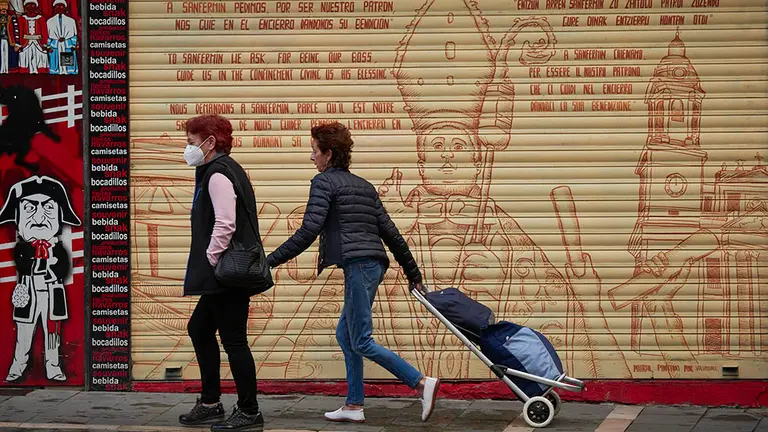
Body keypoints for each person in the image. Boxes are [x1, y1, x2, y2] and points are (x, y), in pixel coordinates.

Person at [267, 122, 440, 423]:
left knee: (360, 339)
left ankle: (421, 383)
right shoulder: (364, 186)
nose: (312, 158)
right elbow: (391, 233)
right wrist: (413, 272)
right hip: (370, 264)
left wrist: (269, 261)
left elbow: (309, 230)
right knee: (345, 335)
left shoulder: (323, 183)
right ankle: (354, 405)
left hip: (360, 265)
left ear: (328, 154)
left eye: (314, 151)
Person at [178, 114, 264, 431]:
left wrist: (212, 259)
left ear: (209, 142)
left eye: (191, 142)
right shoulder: (222, 170)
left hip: (226, 275)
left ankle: (249, 410)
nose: (188, 149)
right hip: (224, 275)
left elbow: (226, 222)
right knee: (199, 329)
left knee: (234, 341)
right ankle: (211, 403)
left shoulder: (217, 173)